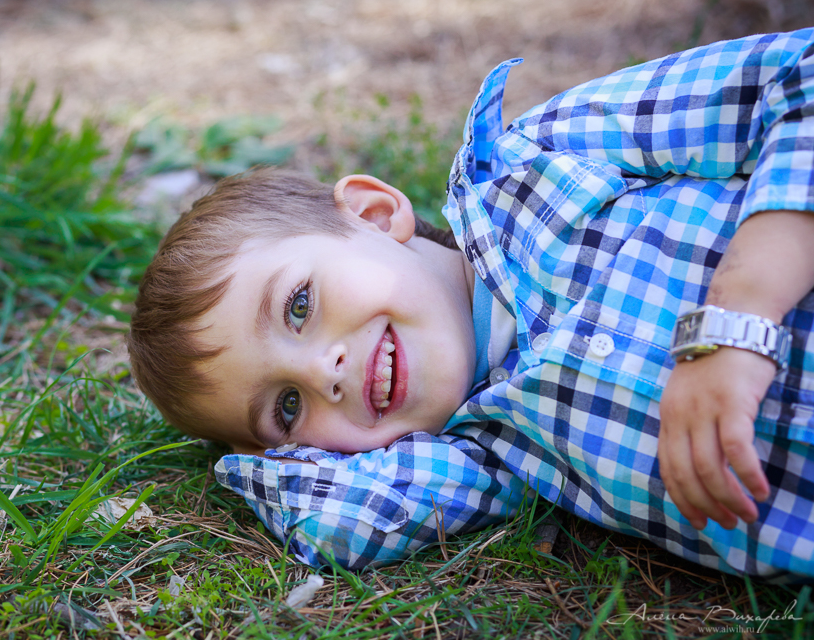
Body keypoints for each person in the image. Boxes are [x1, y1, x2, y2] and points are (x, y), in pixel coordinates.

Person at [128, 29, 814, 579]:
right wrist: (249, 455)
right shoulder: (491, 451)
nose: (323, 373)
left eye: (298, 306)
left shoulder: (539, 161)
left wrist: (734, 321)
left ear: (372, 212)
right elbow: (339, 525)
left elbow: (797, 76)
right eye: (286, 406)